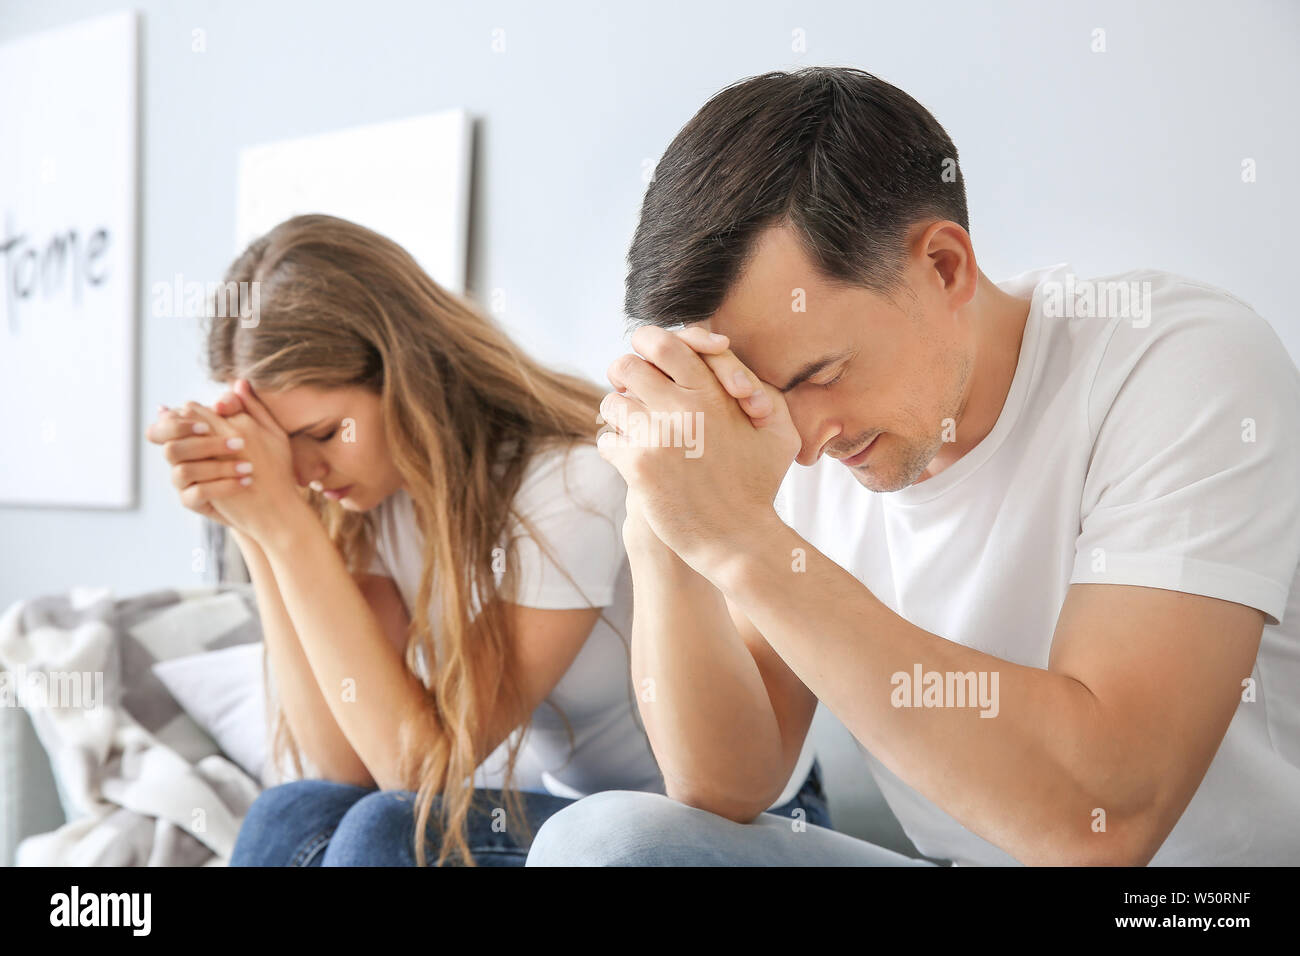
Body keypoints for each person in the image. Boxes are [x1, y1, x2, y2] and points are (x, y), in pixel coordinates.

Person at [526, 67, 1300, 866]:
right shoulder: (786, 437)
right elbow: (728, 784)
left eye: (821, 373)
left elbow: (1105, 818)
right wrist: (665, 522)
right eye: (759, 394)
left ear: (943, 266)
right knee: (610, 842)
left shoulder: (1180, 364)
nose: (803, 443)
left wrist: (739, 539)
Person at [146, 213, 833, 866]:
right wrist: (259, 526)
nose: (303, 474)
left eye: (321, 436)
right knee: (291, 810)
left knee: (392, 832)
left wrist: (286, 528)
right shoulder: (373, 503)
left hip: (730, 826)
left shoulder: (567, 486)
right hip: (581, 814)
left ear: (408, 375)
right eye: (280, 451)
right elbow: (345, 767)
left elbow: (418, 770)